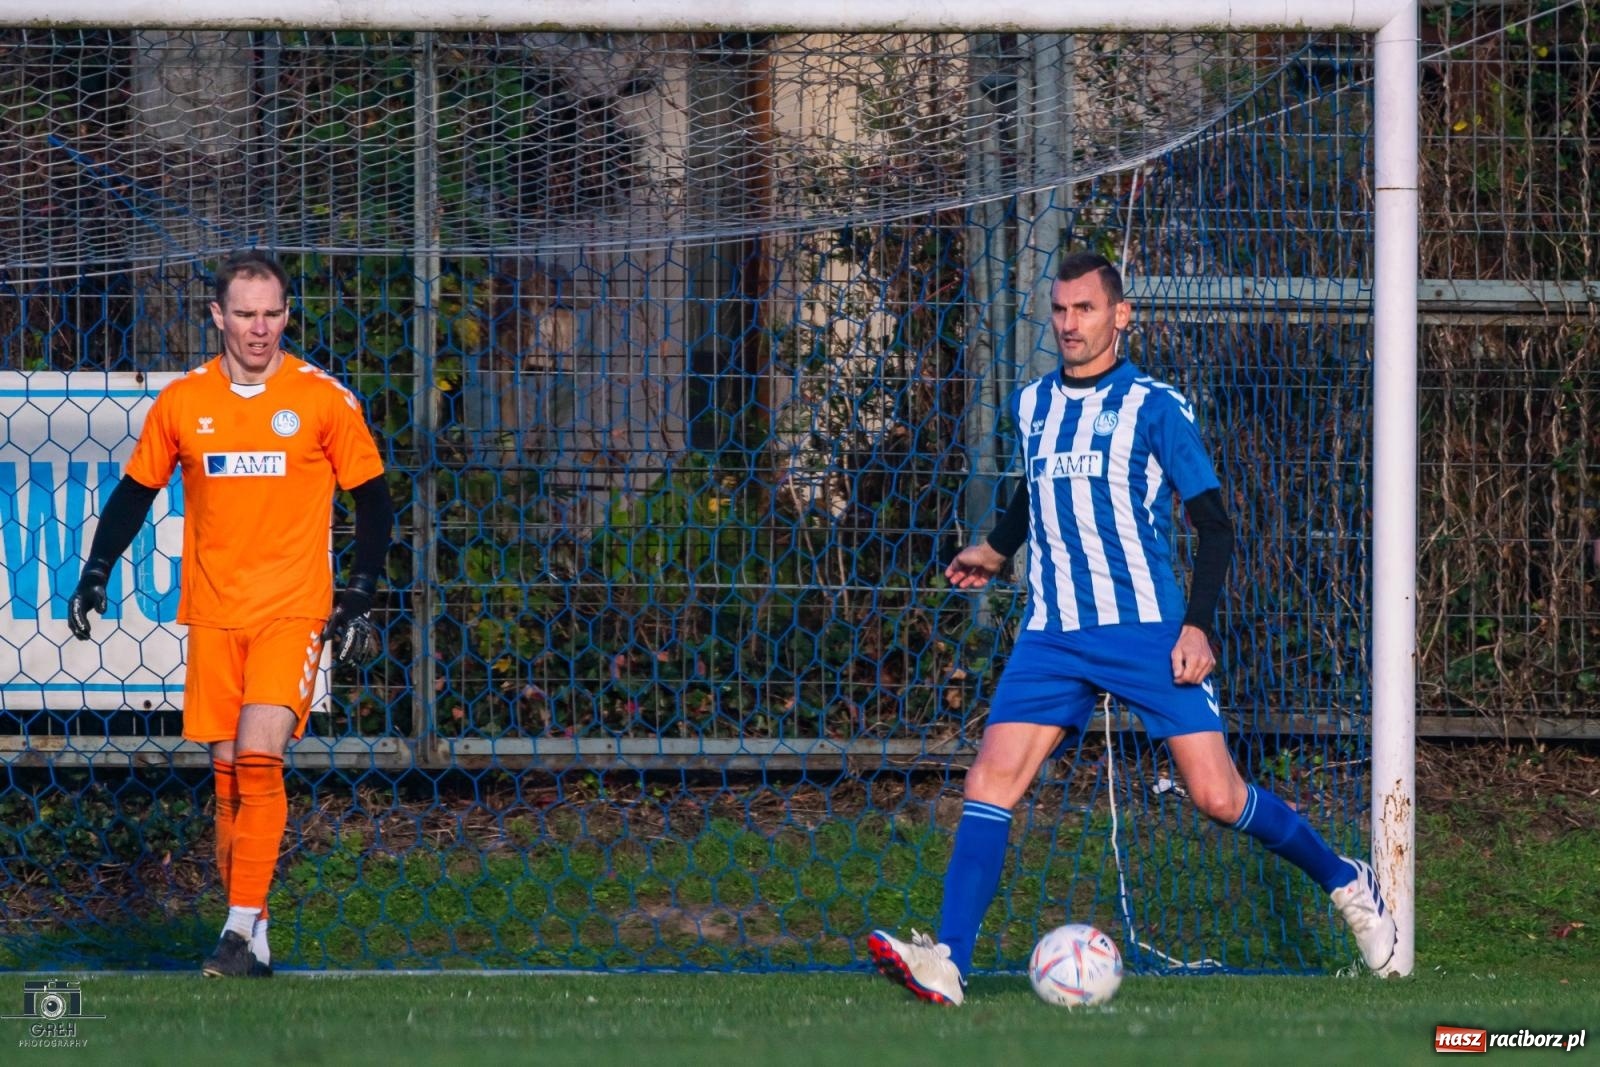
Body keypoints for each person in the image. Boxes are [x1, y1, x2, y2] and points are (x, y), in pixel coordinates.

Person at [866, 252, 1395, 1005]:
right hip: (1052, 634)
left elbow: (1214, 526)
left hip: (1148, 629)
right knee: (990, 781)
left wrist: (1199, 627)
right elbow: (1036, 489)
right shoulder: (1033, 405)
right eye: (1059, 310)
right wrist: (995, 546)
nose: (1068, 324)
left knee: (1217, 795)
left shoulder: (1156, 405)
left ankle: (1346, 881)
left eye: (1084, 309)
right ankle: (949, 959)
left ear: (1121, 315)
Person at [66, 249, 393, 978]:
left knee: (258, 756)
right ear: (218, 316)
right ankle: (255, 934)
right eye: (244, 313)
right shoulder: (184, 402)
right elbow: (133, 492)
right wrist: (95, 570)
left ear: (287, 314)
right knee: (225, 781)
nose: (259, 327)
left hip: (293, 610)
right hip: (214, 612)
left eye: (272, 313)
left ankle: (237, 928)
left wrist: (360, 590)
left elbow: (373, 498)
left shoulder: (322, 399)